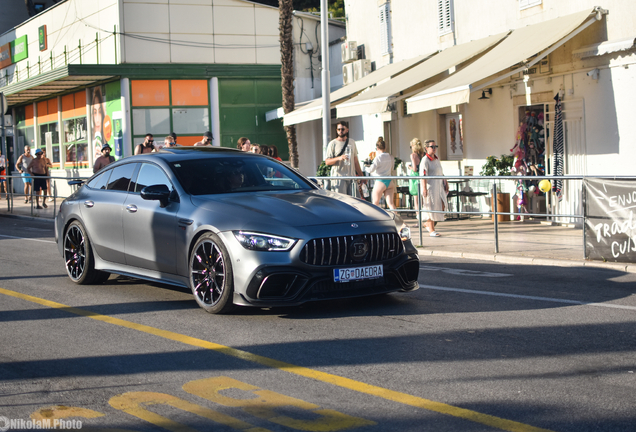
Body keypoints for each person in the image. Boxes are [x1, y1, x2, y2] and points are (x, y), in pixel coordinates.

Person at [419, 140, 449, 237]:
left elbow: (440, 172)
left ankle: (428, 224)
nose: (434, 148)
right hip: (430, 187)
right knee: (431, 207)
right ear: (426, 148)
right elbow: (423, 175)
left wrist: (445, 182)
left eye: (435, 146)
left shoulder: (436, 159)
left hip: (438, 186)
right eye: (432, 146)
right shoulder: (425, 160)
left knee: (442, 205)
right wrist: (424, 188)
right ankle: (431, 229)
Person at [325, 120, 363, 195]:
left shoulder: (352, 142)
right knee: (341, 200)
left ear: (347, 130)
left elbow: (355, 160)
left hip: (351, 177)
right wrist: (339, 158)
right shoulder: (333, 144)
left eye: (342, 129)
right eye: (338, 129)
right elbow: (327, 162)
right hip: (339, 177)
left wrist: (361, 176)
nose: (340, 131)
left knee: (354, 201)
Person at [364, 137, 396, 211]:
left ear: (377, 148)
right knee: (391, 204)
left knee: (375, 203)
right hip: (389, 181)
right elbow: (392, 168)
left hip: (380, 181)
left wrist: (366, 166)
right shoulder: (391, 157)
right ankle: (395, 220)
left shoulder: (377, 158)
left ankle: (375, 221)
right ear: (385, 147)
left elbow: (370, 170)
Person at [409, 138, 424, 218]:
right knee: (422, 200)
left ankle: (419, 219)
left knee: (416, 200)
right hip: (422, 176)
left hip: (415, 177)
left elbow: (415, 169)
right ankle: (424, 217)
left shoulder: (413, 155)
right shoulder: (423, 154)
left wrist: (409, 167)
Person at [92, 86, 106, 161]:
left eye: (99, 112)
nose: (97, 119)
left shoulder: (106, 138)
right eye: (94, 112)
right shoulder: (92, 141)